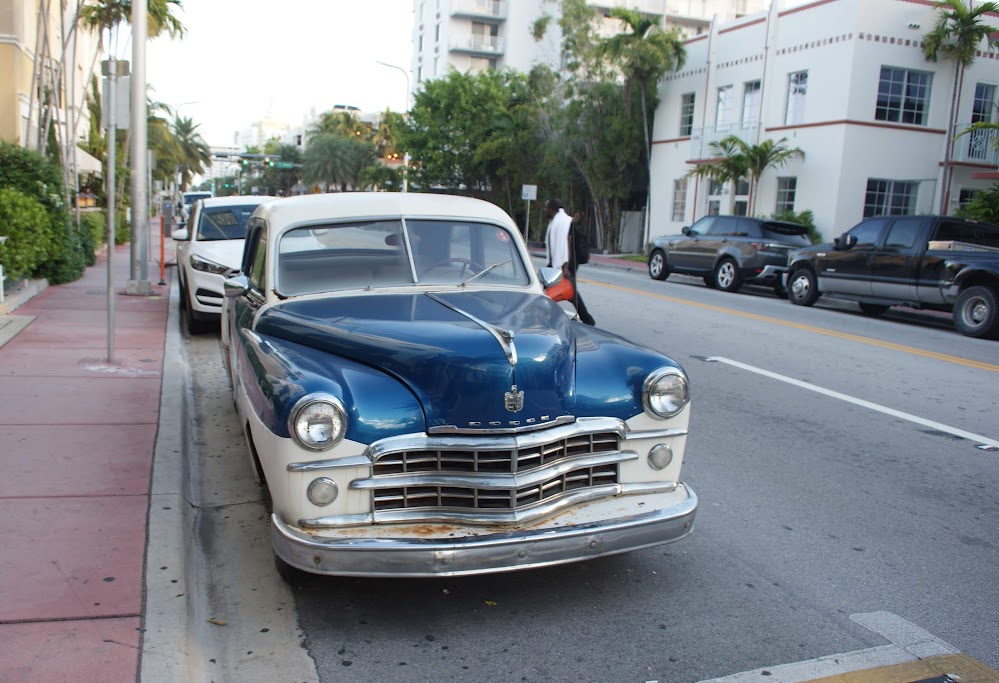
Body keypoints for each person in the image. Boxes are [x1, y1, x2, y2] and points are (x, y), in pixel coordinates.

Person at [544, 197, 595, 326]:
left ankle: (587, 320)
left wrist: (565, 266)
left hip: (567, 264)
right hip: (559, 263)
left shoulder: (565, 222)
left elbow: (567, 243)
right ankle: (586, 319)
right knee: (559, 290)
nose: (545, 211)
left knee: (569, 292)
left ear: (551, 209)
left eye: (546, 208)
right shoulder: (557, 222)